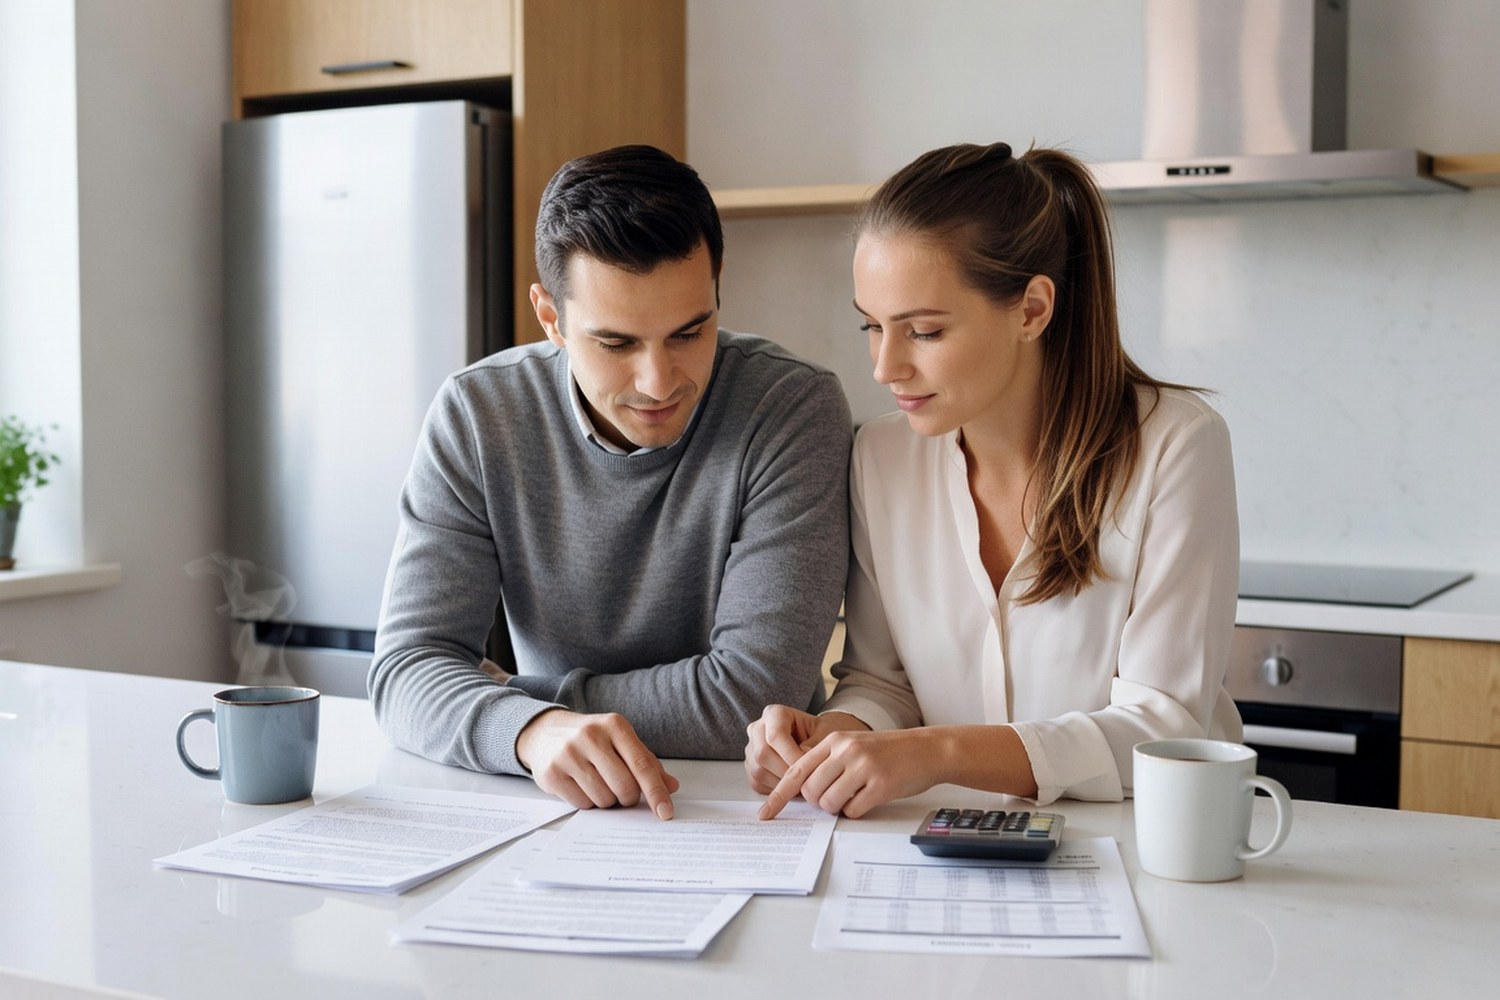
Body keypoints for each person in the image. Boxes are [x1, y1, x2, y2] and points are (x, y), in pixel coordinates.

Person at [747, 142, 1241, 820]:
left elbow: (1164, 727)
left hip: (1133, 853)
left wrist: (939, 753)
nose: (885, 367)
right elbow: (882, 685)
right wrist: (839, 735)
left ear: (1033, 309)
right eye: (872, 326)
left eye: (922, 331)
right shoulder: (881, 456)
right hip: (940, 852)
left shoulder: (1175, 446)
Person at [371, 145, 852, 820]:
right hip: (557, 807)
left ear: (718, 288)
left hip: (753, 811)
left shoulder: (791, 409)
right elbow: (404, 672)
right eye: (617, 343)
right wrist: (534, 734)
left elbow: (752, 696)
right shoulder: (479, 414)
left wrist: (520, 700)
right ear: (550, 318)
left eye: (690, 331)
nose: (659, 382)